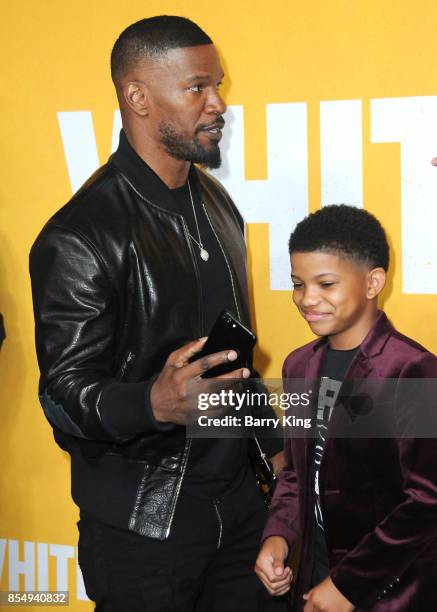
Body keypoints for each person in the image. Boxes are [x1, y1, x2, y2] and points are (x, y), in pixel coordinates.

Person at [30, 16, 285, 612]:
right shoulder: (81, 234)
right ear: (137, 97)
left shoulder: (219, 205)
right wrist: (153, 402)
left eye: (217, 84)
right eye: (198, 87)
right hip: (145, 529)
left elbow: (234, 357)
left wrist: (272, 447)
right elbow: (62, 394)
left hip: (241, 508)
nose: (219, 103)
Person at [255, 205, 437, 611]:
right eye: (298, 284)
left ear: (373, 282)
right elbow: (299, 474)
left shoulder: (412, 370)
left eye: (325, 283)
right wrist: (278, 535)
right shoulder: (298, 364)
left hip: (392, 590)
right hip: (314, 577)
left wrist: (347, 585)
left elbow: (427, 501)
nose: (307, 299)